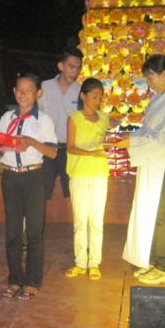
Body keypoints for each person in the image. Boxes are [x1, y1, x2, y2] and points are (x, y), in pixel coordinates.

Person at [114, 55, 165, 284]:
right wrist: (131, 137)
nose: (148, 82)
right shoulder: (160, 99)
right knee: (153, 214)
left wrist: (132, 142)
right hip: (154, 165)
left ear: (164, 74)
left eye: (150, 77)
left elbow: (164, 139)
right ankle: (154, 260)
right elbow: (149, 131)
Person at [0, 73, 57, 301]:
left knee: (34, 232)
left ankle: (32, 282)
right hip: (10, 177)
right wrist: (5, 147)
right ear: (14, 92)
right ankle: (14, 279)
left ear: (38, 93)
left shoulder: (44, 120)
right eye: (19, 90)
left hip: (33, 178)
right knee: (12, 232)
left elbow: (52, 152)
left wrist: (31, 142)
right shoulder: (6, 118)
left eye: (29, 90)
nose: (23, 94)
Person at [64, 78, 117, 281]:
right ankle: (80, 263)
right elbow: (70, 147)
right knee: (80, 221)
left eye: (100, 97)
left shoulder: (104, 118)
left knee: (96, 220)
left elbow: (114, 128)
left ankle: (94, 263)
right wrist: (91, 153)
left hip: (99, 173)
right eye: (94, 96)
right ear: (82, 96)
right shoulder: (74, 118)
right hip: (79, 173)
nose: (98, 100)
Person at [38, 48, 83, 199]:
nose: (75, 72)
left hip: (70, 149)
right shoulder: (44, 87)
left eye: (78, 68)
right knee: (42, 193)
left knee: (73, 193)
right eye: (71, 66)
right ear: (61, 66)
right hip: (46, 148)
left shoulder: (80, 91)